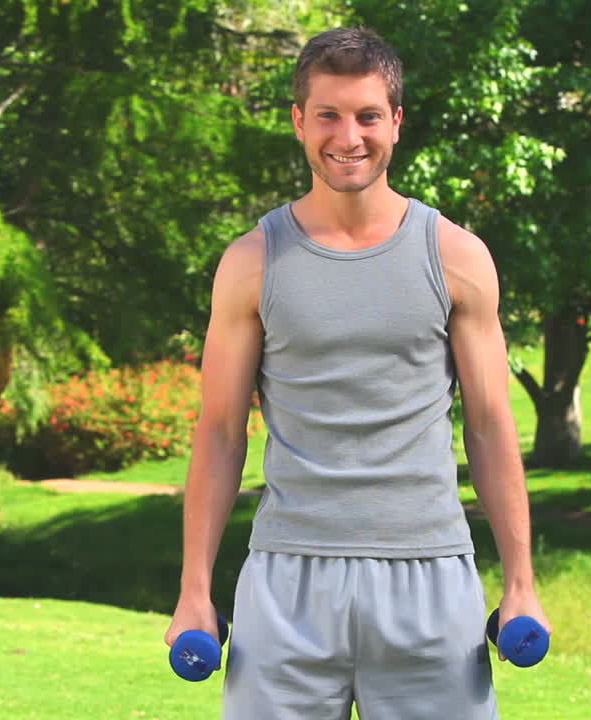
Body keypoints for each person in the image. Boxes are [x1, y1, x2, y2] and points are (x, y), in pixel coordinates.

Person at [164, 26, 550, 719]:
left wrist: (520, 581)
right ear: (298, 123)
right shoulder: (251, 263)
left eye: (369, 115)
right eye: (329, 116)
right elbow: (221, 432)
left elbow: (491, 425)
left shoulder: (456, 257)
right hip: (287, 580)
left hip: (429, 576)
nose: (350, 136)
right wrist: (195, 587)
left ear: (396, 123)